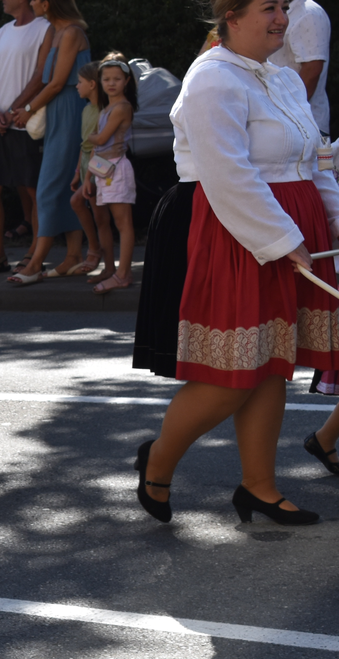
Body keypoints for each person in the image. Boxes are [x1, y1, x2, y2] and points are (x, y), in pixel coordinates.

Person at [135, 0, 339, 527]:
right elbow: (227, 173)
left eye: (284, 7)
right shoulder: (212, 78)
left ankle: (259, 486)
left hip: (284, 226)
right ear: (231, 14)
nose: (282, 18)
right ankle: (157, 462)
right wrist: (282, 238)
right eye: (269, 7)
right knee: (233, 372)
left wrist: (334, 220)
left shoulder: (284, 78)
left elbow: (314, 160)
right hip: (235, 229)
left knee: (272, 362)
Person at [5, 0, 90, 283]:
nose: (30, 2)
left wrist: (28, 109)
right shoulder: (56, 32)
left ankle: (36, 263)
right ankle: (74, 256)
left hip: (69, 111)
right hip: (58, 111)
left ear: (47, 2)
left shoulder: (71, 32)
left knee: (47, 189)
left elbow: (56, 83)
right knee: (65, 186)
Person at [0, 0, 51, 277]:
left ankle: (34, 256)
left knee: (34, 190)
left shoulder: (45, 28)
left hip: (26, 122)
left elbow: (42, 75)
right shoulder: (2, 31)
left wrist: (15, 109)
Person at [85, 55, 137, 295]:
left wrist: (88, 136)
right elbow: (97, 147)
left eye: (117, 79)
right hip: (104, 168)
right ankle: (112, 270)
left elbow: (101, 139)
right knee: (109, 221)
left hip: (117, 168)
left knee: (123, 223)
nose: (111, 83)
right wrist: (88, 177)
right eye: (106, 79)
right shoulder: (106, 108)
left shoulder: (122, 107)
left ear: (126, 81)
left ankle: (123, 274)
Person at [66, 60, 106, 279]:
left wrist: (89, 175)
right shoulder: (86, 110)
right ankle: (95, 248)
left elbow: (97, 146)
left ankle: (96, 251)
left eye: (80, 82)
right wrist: (77, 173)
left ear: (92, 84)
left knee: (97, 213)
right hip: (85, 165)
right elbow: (84, 145)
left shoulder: (103, 111)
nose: (77, 86)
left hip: (98, 164)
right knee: (82, 204)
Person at [270, 0, 330, 133]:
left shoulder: (308, 13)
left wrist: (286, 115)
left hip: (303, 127)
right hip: (282, 124)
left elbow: (312, 70)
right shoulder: (281, 10)